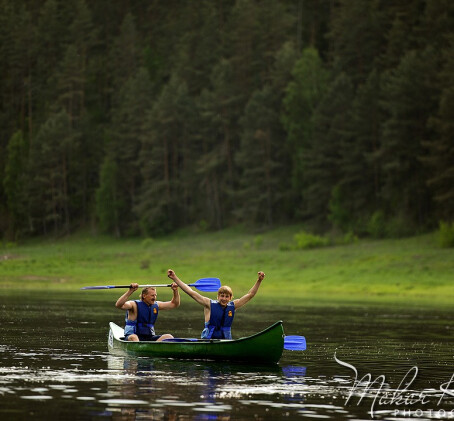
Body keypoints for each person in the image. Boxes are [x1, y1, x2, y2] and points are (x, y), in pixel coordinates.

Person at [167, 269, 265, 339]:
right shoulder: (209, 304)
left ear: (230, 298)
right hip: (209, 340)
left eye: (227, 296)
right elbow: (191, 292)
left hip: (225, 340)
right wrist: (175, 278)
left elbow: (250, 295)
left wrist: (259, 280)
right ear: (218, 296)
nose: (224, 299)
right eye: (222, 296)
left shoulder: (233, 306)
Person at [115, 282, 180, 341]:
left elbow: (174, 304)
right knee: (134, 337)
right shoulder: (133, 304)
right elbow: (119, 305)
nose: (154, 297)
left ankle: (153, 348)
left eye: (155, 295)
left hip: (149, 337)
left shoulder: (156, 305)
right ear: (144, 296)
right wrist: (130, 291)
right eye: (152, 295)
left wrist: (175, 290)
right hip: (132, 337)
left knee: (169, 336)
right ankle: (139, 350)